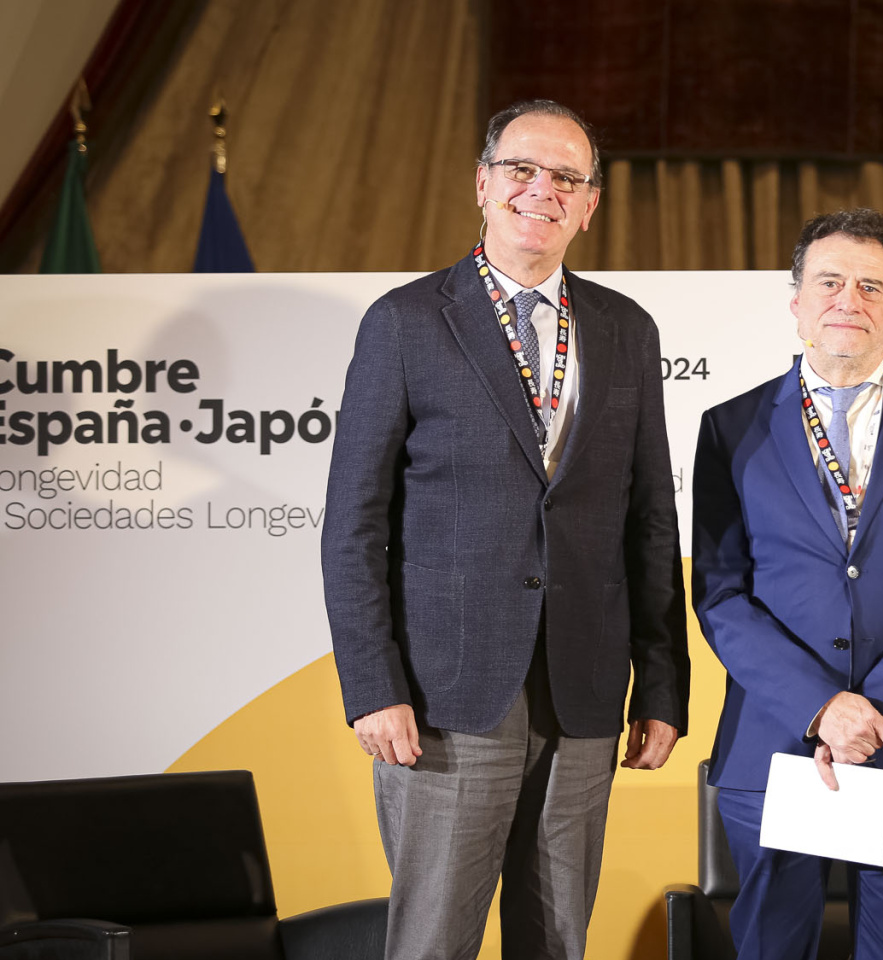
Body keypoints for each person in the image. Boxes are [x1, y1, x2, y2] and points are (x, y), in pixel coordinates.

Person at [321, 99, 690, 960]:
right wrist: (374, 685)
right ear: (483, 185)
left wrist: (662, 685)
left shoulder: (626, 330)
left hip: (586, 695)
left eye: (567, 177)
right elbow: (353, 526)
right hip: (447, 699)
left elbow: (649, 522)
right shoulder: (407, 322)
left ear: (590, 204)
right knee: (434, 943)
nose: (542, 189)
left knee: (557, 941)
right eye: (522, 169)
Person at [692, 208, 883, 960]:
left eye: (872, 286)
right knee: (772, 946)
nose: (848, 300)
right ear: (796, 298)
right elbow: (720, 592)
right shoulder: (730, 426)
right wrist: (822, 707)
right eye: (829, 281)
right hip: (777, 738)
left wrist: (875, 707)